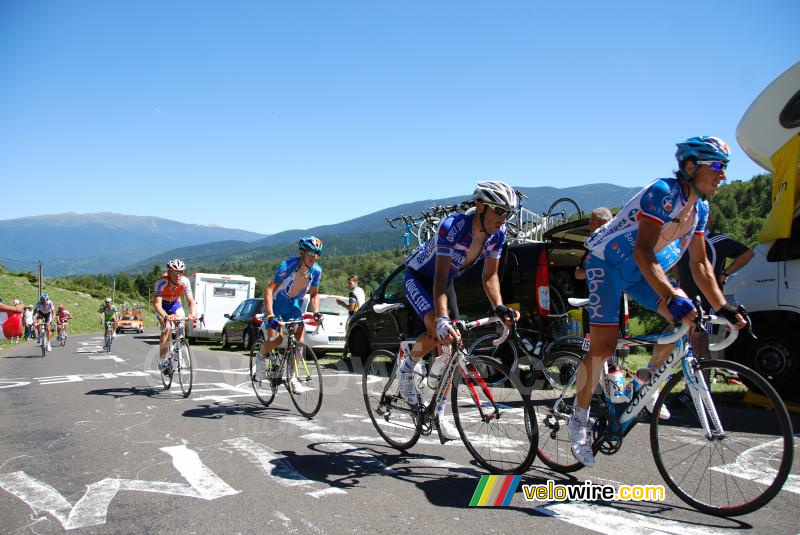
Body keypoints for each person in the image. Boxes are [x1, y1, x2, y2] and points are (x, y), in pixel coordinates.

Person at [567, 136, 747, 467]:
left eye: (726, 167)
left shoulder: (701, 209)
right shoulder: (663, 192)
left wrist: (723, 306)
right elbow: (642, 249)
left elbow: (700, 264)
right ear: (691, 167)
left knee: (685, 319)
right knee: (603, 347)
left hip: (642, 271)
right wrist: (668, 295)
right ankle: (578, 416)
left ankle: (643, 383)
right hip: (608, 265)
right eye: (717, 166)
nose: (723, 174)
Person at [399, 180, 521, 441]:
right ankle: (407, 368)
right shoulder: (453, 227)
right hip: (420, 278)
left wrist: (499, 307)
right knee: (437, 332)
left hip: (445, 282)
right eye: (498, 211)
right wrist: (441, 319)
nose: (503, 218)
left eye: (507, 213)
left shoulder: (498, 235)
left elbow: (490, 276)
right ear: (480, 206)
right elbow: (439, 277)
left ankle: (439, 413)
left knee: (453, 346)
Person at [255, 237, 324, 393]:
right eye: (311, 253)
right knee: (276, 338)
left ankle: (292, 377)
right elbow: (269, 290)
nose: (315, 257)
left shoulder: (316, 271)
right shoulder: (288, 266)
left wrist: (316, 312)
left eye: (318, 254)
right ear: (302, 252)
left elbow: (314, 295)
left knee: (299, 337)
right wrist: (270, 315)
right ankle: (260, 357)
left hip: (292, 305)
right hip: (276, 303)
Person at [677, 231, 754, 310]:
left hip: (710, 300)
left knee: (707, 321)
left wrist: (725, 274)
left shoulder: (716, 240)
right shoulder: (681, 241)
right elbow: (675, 263)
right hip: (685, 299)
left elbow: (747, 254)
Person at [152, 259, 197, 373]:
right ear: (169, 272)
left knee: (181, 324)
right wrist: (166, 316)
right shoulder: (161, 282)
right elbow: (157, 304)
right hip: (162, 306)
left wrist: (193, 313)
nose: (178, 274)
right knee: (167, 328)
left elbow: (191, 300)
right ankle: (162, 361)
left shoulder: (185, 281)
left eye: (181, 272)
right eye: (175, 272)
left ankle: (178, 350)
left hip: (175, 304)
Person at [575, 207, 613, 280]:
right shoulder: (592, 246)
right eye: (589, 221)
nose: (590, 225)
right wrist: (594, 272)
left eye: (592, 221)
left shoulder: (618, 241)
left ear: (605, 222)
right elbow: (577, 274)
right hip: (594, 290)